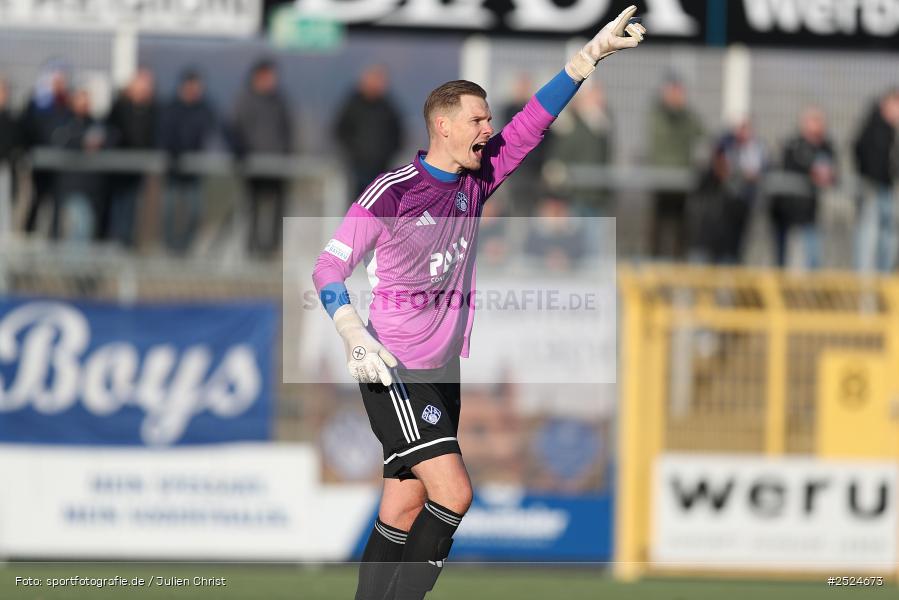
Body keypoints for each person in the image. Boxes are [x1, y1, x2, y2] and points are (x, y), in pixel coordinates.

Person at [312, 7, 645, 600]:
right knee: (455, 494)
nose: (488, 128)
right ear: (443, 126)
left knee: (405, 502)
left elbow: (532, 124)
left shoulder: (476, 179)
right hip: (395, 368)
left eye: (489, 117)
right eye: (478, 118)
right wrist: (351, 333)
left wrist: (585, 61)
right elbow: (328, 267)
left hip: (442, 371)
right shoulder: (392, 193)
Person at [231, 58, 294, 258]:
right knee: (252, 207)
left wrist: (287, 154)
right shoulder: (245, 100)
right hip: (253, 165)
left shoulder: (280, 101)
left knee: (278, 209)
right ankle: (252, 250)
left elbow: (288, 129)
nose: (272, 81)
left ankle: (271, 250)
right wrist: (242, 154)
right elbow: (235, 129)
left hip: (277, 165)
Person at [769, 107, 836, 270]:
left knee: (811, 256)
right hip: (786, 211)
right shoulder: (794, 145)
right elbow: (790, 168)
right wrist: (812, 173)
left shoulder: (826, 146)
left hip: (809, 212)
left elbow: (832, 171)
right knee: (785, 257)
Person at [691, 119, 767, 264]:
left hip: (732, 227)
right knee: (703, 257)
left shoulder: (754, 149)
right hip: (709, 230)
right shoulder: (711, 179)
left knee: (730, 257)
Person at [647, 73, 704, 259]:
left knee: (681, 233)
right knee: (657, 231)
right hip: (661, 182)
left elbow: (702, 135)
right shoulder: (658, 114)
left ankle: (678, 268)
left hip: (682, 184)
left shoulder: (688, 117)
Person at [159, 69, 216, 254]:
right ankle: (170, 249)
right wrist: (173, 153)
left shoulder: (205, 109)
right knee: (168, 213)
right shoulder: (171, 108)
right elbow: (164, 134)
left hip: (194, 172)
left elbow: (217, 130)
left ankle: (184, 250)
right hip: (173, 170)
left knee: (195, 212)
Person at [541, 80, 614, 214]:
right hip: (574, 192)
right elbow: (561, 152)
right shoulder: (571, 123)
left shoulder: (601, 123)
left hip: (596, 191)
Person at [106, 66, 158, 247]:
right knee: (117, 209)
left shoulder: (152, 110)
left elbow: (153, 137)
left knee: (133, 211)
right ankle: (115, 244)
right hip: (118, 172)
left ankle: (126, 246)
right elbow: (114, 134)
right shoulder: (120, 108)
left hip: (137, 170)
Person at [335, 65, 404, 199]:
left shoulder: (388, 106)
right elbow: (340, 131)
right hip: (357, 167)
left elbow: (398, 133)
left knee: (379, 205)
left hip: (382, 167)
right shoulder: (353, 104)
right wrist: (353, 153)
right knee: (358, 202)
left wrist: (388, 154)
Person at [19, 60, 72, 237]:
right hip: (40, 162)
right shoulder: (38, 103)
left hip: (60, 164)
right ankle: (29, 234)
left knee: (57, 203)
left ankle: (53, 239)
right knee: (37, 199)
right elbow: (28, 129)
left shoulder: (66, 103)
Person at [853, 88, 899, 273]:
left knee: (888, 236)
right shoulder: (874, 129)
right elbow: (863, 154)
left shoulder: (891, 132)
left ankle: (884, 275)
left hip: (887, 189)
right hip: (873, 189)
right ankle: (865, 282)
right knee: (869, 235)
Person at [53, 87, 108, 242]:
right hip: (71, 185)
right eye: (80, 99)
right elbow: (58, 141)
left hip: (91, 188)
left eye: (87, 100)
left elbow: (110, 138)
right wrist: (82, 143)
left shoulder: (96, 124)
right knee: (72, 229)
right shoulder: (64, 122)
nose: (84, 104)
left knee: (86, 231)